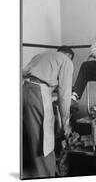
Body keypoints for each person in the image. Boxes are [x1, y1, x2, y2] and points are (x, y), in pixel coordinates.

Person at [22, 46, 74, 179]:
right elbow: (64, 94)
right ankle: (46, 176)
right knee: (44, 144)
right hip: (38, 93)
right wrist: (66, 124)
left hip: (22, 89)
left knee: (28, 141)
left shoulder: (41, 56)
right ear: (68, 55)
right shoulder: (66, 61)